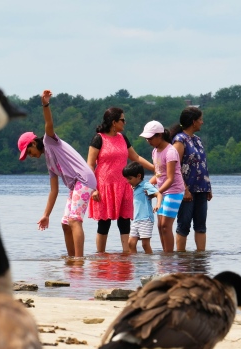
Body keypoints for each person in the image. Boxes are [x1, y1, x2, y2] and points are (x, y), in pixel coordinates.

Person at [20, 90, 97, 258]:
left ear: (33, 142)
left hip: (84, 179)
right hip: (76, 184)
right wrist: (46, 215)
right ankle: (71, 259)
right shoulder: (50, 164)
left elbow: (48, 123)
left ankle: (78, 260)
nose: (30, 156)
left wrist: (45, 104)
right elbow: (53, 191)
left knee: (74, 220)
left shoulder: (49, 141)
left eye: (29, 152)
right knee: (65, 223)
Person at [86, 107, 155, 254]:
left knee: (124, 222)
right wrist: (93, 189)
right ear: (113, 122)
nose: (125, 122)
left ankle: (127, 255)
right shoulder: (99, 138)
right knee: (104, 223)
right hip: (104, 186)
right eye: (122, 120)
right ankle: (101, 257)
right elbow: (90, 165)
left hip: (124, 186)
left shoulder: (122, 138)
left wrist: (154, 168)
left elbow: (135, 158)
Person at [170, 106, 212, 252]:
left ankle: (201, 258)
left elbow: (202, 165)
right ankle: (181, 259)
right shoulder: (179, 141)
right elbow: (175, 168)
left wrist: (208, 187)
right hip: (186, 191)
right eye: (200, 119)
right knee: (184, 225)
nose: (202, 122)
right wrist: (184, 189)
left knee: (201, 225)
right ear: (194, 122)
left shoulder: (198, 140)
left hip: (201, 188)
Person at [140, 120, 185, 253]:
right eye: (147, 138)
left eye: (150, 138)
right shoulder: (155, 151)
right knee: (160, 225)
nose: (148, 141)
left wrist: (157, 192)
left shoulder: (170, 151)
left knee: (166, 225)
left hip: (174, 191)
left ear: (159, 135)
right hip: (162, 192)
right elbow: (159, 174)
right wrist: (146, 185)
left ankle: (169, 256)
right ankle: (165, 254)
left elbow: (170, 178)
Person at [122, 161, 158, 254]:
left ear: (138, 176)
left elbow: (158, 193)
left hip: (146, 219)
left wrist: (158, 204)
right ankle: (135, 261)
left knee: (145, 244)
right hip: (136, 220)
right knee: (131, 243)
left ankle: (149, 261)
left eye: (130, 178)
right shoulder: (134, 187)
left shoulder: (146, 185)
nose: (128, 181)